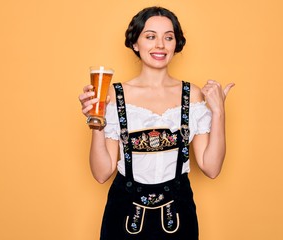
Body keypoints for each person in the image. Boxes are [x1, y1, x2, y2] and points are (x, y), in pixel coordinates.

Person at [79, 6, 234, 240]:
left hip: (178, 217)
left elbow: (211, 168)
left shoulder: (191, 95)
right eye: (150, 36)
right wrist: (96, 122)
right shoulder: (113, 94)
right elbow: (101, 173)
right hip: (123, 216)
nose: (160, 45)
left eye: (168, 37)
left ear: (176, 44)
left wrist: (219, 112)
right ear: (135, 43)